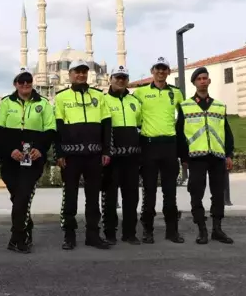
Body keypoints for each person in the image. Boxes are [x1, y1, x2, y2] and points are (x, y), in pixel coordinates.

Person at [0, 67, 56, 253]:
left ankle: (17, 237)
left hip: (33, 159)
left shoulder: (43, 104)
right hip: (11, 159)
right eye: (22, 81)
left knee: (23, 196)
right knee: (18, 197)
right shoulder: (6, 103)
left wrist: (40, 149)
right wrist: (10, 150)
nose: (25, 84)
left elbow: (50, 129)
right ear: (16, 84)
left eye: (28, 81)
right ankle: (26, 227)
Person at [54, 59, 113, 250]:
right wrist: (60, 153)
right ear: (70, 74)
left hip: (94, 156)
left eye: (84, 72)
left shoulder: (99, 95)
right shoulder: (61, 97)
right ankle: (69, 236)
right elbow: (58, 128)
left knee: (93, 198)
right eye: (77, 72)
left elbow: (106, 125)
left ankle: (93, 235)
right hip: (71, 157)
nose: (81, 75)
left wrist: (106, 150)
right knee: (70, 198)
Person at [176, 67, 235, 245]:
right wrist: (184, 158)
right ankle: (202, 229)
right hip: (196, 157)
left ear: (209, 81)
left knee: (218, 193)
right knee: (196, 193)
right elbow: (179, 134)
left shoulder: (218, 105)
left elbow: (226, 131)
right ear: (194, 82)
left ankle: (217, 229)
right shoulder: (185, 106)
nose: (202, 81)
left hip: (217, 156)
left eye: (205, 78)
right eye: (199, 78)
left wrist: (229, 154)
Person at [132, 57, 185, 244]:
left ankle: (172, 231)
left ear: (169, 72)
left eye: (164, 69)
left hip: (169, 145)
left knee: (170, 192)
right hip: (149, 146)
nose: (161, 72)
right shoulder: (140, 92)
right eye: (158, 69)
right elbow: (133, 117)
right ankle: (147, 230)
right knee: (149, 191)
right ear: (152, 70)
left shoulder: (176, 93)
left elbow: (184, 119)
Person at [101, 66, 142, 245]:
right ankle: (110, 233)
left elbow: (139, 126)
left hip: (131, 158)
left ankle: (129, 233)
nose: (121, 80)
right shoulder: (102, 101)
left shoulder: (135, 101)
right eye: (117, 77)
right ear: (110, 79)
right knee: (109, 197)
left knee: (131, 196)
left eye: (124, 77)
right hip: (111, 158)